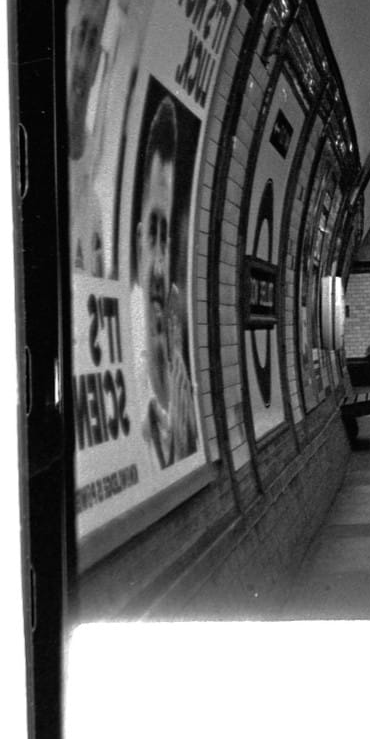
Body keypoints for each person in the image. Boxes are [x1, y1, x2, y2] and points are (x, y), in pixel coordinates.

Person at [133, 94, 199, 467]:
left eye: (165, 234)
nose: (159, 257)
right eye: (152, 231)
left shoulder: (180, 370)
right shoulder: (128, 350)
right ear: (140, 239)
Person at [69, 0, 113, 274]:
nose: (84, 54)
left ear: (99, 58)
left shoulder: (92, 200)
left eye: (93, 38)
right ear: (71, 40)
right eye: (83, 32)